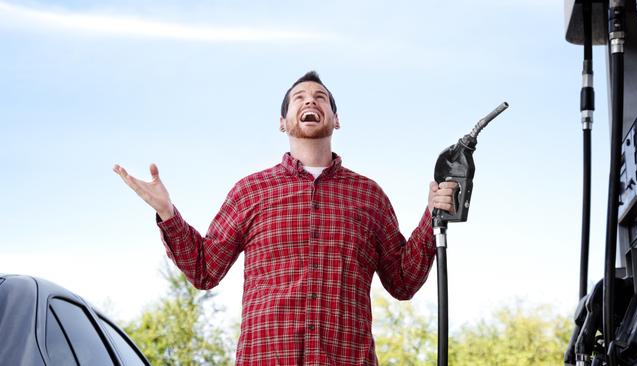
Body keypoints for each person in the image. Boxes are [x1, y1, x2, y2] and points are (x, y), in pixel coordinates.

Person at [113, 71, 458, 365]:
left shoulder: (369, 196)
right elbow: (205, 269)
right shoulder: (251, 191)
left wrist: (431, 215)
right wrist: (167, 212)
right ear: (283, 122)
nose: (310, 101)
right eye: (299, 98)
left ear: (336, 119)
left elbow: (403, 282)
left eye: (320, 97)